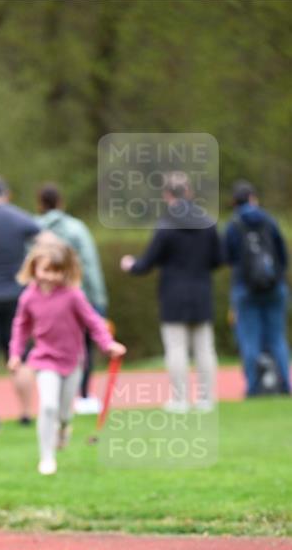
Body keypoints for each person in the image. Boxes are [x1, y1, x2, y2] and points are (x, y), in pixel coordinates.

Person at [9, 240, 126, 475]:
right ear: (35, 269)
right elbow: (21, 327)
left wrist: (107, 343)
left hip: (72, 362)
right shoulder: (28, 297)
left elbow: (93, 322)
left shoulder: (73, 295)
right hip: (44, 359)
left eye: (58, 271)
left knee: (63, 413)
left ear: (66, 270)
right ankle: (47, 458)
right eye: (46, 270)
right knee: (48, 406)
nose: (51, 276)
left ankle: (63, 428)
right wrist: (15, 354)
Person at [120, 172, 221, 412]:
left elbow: (148, 262)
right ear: (189, 192)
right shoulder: (208, 222)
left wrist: (131, 265)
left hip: (173, 293)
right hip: (202, 290)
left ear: (167, 195)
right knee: (205, 347)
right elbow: (218, 259)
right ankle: (206, 399)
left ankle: (180, 400)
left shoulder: (166, 226)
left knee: (176, 348)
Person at [37, 183, 109, 413]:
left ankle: (51, 396)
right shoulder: (76, 229)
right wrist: (99, 300)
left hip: (43, 300)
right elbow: (89, 263)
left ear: (40, 204)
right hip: (77, 297)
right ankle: (84, 396)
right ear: (61, 202)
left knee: (47, 345)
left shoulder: (34, 230)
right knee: (82, 347)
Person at [0, 174, 40, 424]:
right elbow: (47, 241)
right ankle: (25, 413)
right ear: (7, 194)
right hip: (17, 296)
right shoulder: (19, 217)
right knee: (21, 356)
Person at [224, 180, 290, 397]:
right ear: (253, 197)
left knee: (249, 339)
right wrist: (276, 277)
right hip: (274, 287)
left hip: (245, 289)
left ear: (234, 202)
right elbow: (282, 254)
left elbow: (227, 257)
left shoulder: (233, 225)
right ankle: (285, 386)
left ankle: (253, 388)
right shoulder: (269, 221)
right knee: (277, 337)